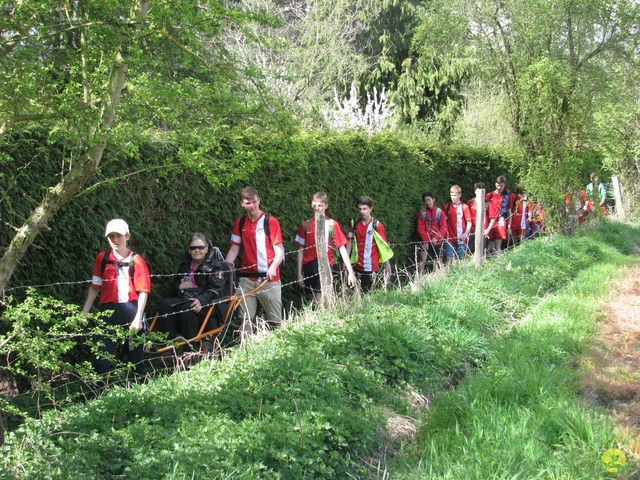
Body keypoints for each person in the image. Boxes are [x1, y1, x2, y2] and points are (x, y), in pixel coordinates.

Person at [82, 218, 151, 384]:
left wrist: (137, 318)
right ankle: (97, 393)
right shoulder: (102, 258)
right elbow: (95, 286)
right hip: (108, 310)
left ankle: (141, 390)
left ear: (127, 236)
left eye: (118, 236)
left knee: (135, 354)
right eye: (111, 236)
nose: (115, 240)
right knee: (102, 355)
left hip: (131, 309)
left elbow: (143, 291)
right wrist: (85, 311)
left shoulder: (137, 260)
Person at [225, 187, 284, 336]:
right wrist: (225, 268)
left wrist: (273, 267)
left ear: (259, 200)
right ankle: (246, 352)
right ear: (242, 204)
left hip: (269, 278)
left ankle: (280, 348)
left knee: (275, 320)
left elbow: (279, 251)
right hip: (247, 279)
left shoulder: (270, 221)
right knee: (245, 319)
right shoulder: (240, 223)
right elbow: (234, 249)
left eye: (254, 202)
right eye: (248, 203)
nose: (252, 206)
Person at [155, 233, 231, 345]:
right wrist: (179, 286)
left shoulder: (215, 267)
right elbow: (175, 284)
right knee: (165, 305)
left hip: (208, 302)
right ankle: (168, 347)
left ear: (206, 249)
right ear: (189, 250)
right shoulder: (185, 265)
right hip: (186, 297)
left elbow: (216, 289)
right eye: (193, 248)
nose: (197, 250)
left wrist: (201, 300)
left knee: (189, 309)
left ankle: (190, 350)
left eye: (200, 247)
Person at [295, 191, 356, 302]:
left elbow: (342, 247)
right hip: (308, 266)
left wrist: (350, 272)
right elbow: (300, 249)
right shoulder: (305, 225)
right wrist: (299, 273)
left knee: (320, 296)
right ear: (311, 205)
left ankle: (322, 316)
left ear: (326, 206)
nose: (317, 208)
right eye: (315, 205)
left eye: (320, 205)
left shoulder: (332, 224)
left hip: (326, 264)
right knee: (311, 298)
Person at [346, 196, 393, 292]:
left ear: (370, 209)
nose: (362, 211)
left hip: (370, 266)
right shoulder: (354, 223)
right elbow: (349, 241)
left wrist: (387, 266)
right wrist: (346, 262)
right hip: (355, 265)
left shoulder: (377, 226)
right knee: (353, 293)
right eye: (360, 209)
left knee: (367, 293)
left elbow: (383, 247)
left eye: (365, 209)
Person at [484, 175, 515, 255]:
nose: (499, 188)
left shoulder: (508, 196)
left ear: (504, 185)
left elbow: (509, 212)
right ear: (495, 184)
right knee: (491, 247)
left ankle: (498, 261)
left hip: (501, 221)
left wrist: (509, 226)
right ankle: (492, 261)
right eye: (498, 185)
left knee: (498, 246)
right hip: (490, 222)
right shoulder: (489, 195)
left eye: (501, 186)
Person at [416, 192, 447, 273]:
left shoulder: (440, 213)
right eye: (425, 201)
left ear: (433, 200)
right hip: (424, 241)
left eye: (429, 200)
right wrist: (426, 241)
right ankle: (419, 278)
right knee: (422, 259)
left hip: (437, 241)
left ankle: (436, 277)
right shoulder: (422, 213)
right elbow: (420, 228)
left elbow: (443, 228)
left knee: (436, 260)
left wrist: (436, 238)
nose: (427, 202)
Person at [443, 185, 472, 263]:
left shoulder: (464, 207)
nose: (453, 197)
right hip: (450, 239)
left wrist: (465, 234)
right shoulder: (447, 207)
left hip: (461, 238)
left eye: (455, 195)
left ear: (460, 195)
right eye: (451, 195)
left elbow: (469, 223)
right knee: (448, 259)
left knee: (461, 261)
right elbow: (444, 222)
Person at [466, 182, 487, 255]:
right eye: (478, 190)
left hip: (482, 231)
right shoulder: (470, 202)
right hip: (471, 231)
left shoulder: (487, 203)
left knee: (481, 252)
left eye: (482, 190)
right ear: (475, 191)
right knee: (469, 251)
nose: (480, 192)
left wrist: (487, 230)